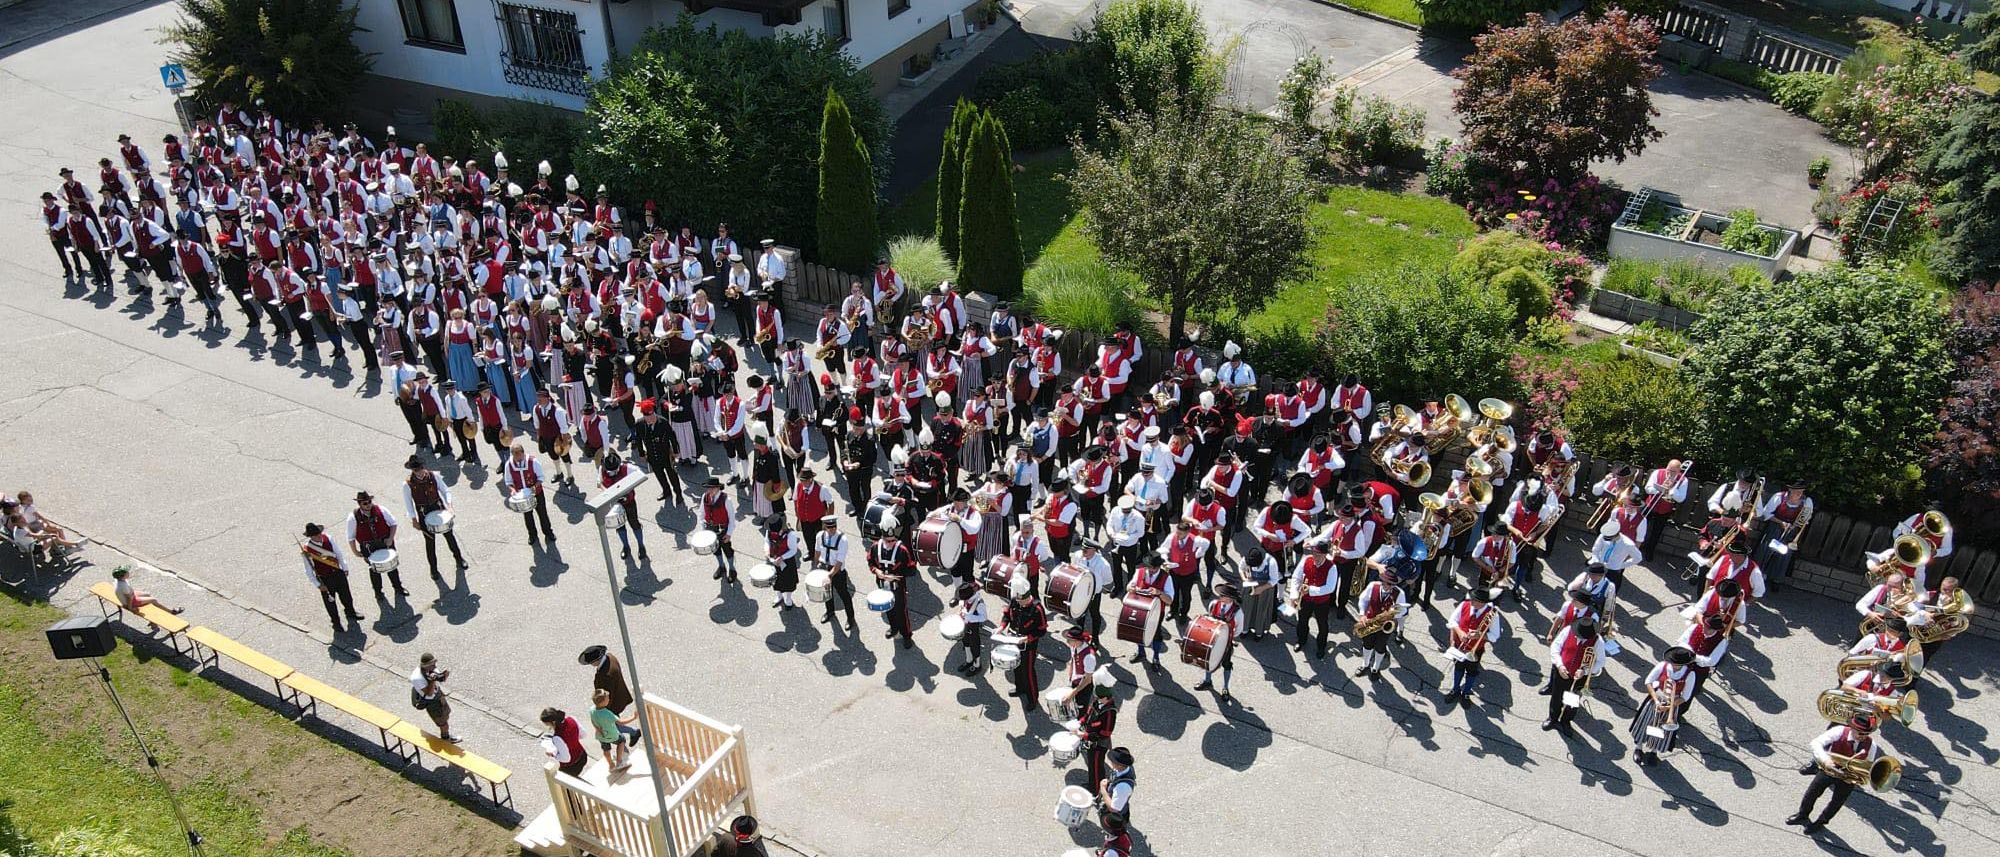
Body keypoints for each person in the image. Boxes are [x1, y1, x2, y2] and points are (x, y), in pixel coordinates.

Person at [1788, 714, 1886, 833]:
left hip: (1848, 777)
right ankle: (1803, 814)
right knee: (1811, 794)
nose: (1863, 737)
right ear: (1852, 728)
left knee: (1836, 803)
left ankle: (1821, 822)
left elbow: (1867, 765)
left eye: (1866, 734)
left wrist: (1857, 778)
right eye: (1860, 733)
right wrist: (1826, 760)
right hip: (1828, 769)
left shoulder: (1871, 745)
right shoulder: (1839, 731)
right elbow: (1815, 743)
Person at [403, 456, 469, 580]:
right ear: (412, 470)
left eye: (421, 468)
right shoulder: (407, 484)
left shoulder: (433, 476)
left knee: (450, 537)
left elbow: (445, 490)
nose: (420, 472)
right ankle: (433, 569)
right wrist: (413, 519)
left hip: (438, 509)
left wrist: (449, 506)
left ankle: (459, 559)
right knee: (430, 543)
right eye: (416, 470)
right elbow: (408, 503)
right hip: (423, 514)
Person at [1630, 647, 1697, 766]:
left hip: (1673, 702)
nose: (1675, 666)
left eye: (1678, 664)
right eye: (1674, 663)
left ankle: (1653, 751)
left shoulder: (1690, 674)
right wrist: (1656, 700)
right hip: (1657, 697)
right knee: (1647, 723)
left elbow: (1685, 697)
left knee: (1661, 728)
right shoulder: (1663, 666)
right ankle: (1638, 747)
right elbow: (1648, 681)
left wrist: (1668, 707)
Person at [1543, 616, 1605, 733]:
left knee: (1572, 701)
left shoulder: (1598, 641)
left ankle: (1566, 721)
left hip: (1580, 678)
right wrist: (1560, 665)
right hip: (1562, 672)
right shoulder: (1568, 630)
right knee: (1556, 696)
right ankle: (1553, 718)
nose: (1578, 637)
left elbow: (1601, 662)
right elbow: (1555, 647)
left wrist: (1585, 671)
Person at [1442, 587, 1504, 701]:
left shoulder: (1492, 614)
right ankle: (1455, 689)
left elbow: (1495, 636)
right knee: (1458, 668)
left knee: (1472, 671)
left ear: (1482, 602)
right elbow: (1452, 620)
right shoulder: (1465, 605)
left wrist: (1479, 635)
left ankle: (1466, 693)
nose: (1471, 602)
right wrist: (1460, 633)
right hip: (1460, 646)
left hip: (1476, 649)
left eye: (1474, 600)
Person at [300, 522, 363, 630]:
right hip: (325, 578)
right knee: (330, 602)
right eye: (315, 535)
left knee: (346, 595)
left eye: (319, 533)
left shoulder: (328, 538)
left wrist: (344, 567)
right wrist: (318, 584)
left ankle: (350, 612)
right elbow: (309, 570)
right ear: (310, 536)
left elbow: (338, 553)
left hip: (338, 572)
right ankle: (336, 622)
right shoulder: (307, 550)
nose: (319, 536)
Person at [345, 491, 407, 599]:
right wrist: (355, 552)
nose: (368, 504)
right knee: (374, 570)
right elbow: (351, 537)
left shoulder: (381, 509)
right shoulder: (353, 517)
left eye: (369, 502)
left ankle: (398, 587)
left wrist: (390, 538)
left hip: (384, 542)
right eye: (365, 503)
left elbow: (393, 523)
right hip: (369, 546)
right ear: (359, 504)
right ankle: (378, 592)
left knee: (392, 567)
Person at [1351, 569, 1407, 679]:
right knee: (1367, 644)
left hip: (1385, 626)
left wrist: (1393, 612)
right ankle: (1365, 664)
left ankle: (1375, 668)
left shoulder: (1399, 593)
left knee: (1380, 647)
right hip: (1370, 621)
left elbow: (1403, 611)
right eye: (1387, 583)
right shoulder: (1373, 586)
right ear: (1382, 581)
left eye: (1392, 584)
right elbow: (1363, 600)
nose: (1389, 586)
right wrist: (1362, 615)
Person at [1000, 578, 1048, 708]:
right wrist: (1001, 627)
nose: (1020, 603)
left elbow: (1042, 630)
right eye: (1019, 601)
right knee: (1015, 667)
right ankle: (1020, 688)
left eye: (1023, 601)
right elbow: (1007, 616)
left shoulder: (1037, 609)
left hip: (1029, 645)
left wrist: (1028, 638)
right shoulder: (1015, 601)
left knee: (1028, 672)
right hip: (1014, 641)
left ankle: (1032, 698)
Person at [1193, 583, 1245, 697]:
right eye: (1220, 594)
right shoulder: (1213, 604)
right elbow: (1209, 619)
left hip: (1226, 643)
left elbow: (1238, 630)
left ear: (1230, 598)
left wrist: (1228, 637)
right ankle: (1207, 681)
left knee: (1226, 664)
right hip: (1211, 640)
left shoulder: (1238, 613)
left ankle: (1225, 687)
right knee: (1207, 659)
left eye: (1223, 595)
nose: (1220, 597)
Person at [504, 443, 560, 545]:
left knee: (542, 514)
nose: (518, 459)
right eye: (516, 457)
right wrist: (512, 490)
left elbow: (541, 477)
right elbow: (508, 481)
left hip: (536, 493)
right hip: (523, 497)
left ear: (523, 453)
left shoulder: (533, 461)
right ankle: (532, 534)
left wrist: (535, 487)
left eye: (519, 456)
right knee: (528, 516)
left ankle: (548, 532)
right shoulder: (509, 465)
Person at [599, 451, 650, 561]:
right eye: (610, 471)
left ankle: (641, 546)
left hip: (629, 501)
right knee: (619, 526)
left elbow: (641, 475)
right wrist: (609, 493)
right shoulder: (601, 470)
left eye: (615, 469)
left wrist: (628, 487)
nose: (613, 472)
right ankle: (626, 546)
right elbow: (600, 483)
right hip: (614, 504)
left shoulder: (627, 468)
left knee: (635, 524)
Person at [871, 529, 917, 648]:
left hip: (897, 586)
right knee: (888, 608)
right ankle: (893, 628)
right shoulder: (875, 547)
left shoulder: (902, 550)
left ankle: (906, 635)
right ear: (882, 538)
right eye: (888, 540)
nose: (891, 543)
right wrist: (877, 571)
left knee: (901, 611)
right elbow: (870, 562)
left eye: (893, 540)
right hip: (882, 584)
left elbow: (912, 569)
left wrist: (896, 575)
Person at [813, 518, 858, 632]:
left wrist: (830, 575)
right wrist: (815, 566)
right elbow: (817, 551)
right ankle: (830, 612)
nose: (832, 529)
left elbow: (839, 562)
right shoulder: (820, 536)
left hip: (837, 572)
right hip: (824, 567)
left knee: (844, 594)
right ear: (825, 527)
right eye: (829, 527)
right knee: (827, 593)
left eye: (834, 527)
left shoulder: (842, 539)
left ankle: (850, 618)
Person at [410, 653, 459, 742]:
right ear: (425, 665)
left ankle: (445, 733)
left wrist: (444, 676)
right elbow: (429, 693)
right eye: (432, 664)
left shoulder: (431, 669)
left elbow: (440, 680)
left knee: (445, 713)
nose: (435, 666)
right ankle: (446, 738)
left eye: (434, 663)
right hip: (432, 702)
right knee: (443, 724)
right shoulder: (417, 678)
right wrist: (432, 681)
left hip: (438, 696)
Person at [590, 688, 642, 772]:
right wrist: (633, 717)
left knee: (606, 749)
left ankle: (611, 765)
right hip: (612, 734)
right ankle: (619, 762)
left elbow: (592, 721)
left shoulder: (592, 710)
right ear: (602, 702)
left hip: (601, 735)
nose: (609, 699)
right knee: (621, 741)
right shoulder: (607, 713)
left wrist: (598, 729)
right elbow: (620, 722)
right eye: (607, 699)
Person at [110, 565, 183, 622]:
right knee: (153, 600)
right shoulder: (123, 586)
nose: (129, 573)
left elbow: (128, 593)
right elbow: (129, 598)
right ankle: (171, 612)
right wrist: (131, 608)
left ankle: (153, 621)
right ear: (123, 576)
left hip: (132, 595)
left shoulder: (119, 581)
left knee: (147, 594)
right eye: (127, 572)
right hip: (132, 601)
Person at [1237, 546, 1280, 640]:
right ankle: (1245, 629)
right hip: (1251, 583)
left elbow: (1274, 580)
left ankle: (1258, 633)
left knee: (1261, 609)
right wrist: (1245, 579)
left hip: (1266, 587)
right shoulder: (1247, 558)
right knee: (1246, 608)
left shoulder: (1271, 562)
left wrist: (1261, 589)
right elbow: (1241, 568)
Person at [700, 477, 738, 582]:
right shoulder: (704, 497)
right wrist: (704, 530)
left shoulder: (726, 499)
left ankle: (732, 569)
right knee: (715, 550)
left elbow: (732, 519)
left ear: (718, 488)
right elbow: (702, 514)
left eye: (712, 488)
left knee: (727, 550)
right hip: (710, 530)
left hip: (723, 530)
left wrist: (729, 534)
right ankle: (721, 566)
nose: (710, 490)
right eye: (708, 488)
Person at [579, 644, 635, 715]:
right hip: (621, 695)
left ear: (595, 661)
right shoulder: (610, 657)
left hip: (614, 706)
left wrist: (604, 712)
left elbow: (607, 698)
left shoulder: (605, 676)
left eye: (591, 663)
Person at [949, 581, 988, 675]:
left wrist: (971, 618)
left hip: (973, 627)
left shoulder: (979, 603)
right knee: (965, 642)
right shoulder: (967, 598)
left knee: (974, 645)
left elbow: (984, 617)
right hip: (965, 625)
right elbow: (963, 605)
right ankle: (969, 660)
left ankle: (977, 665)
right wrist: (961, 612)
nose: (963, 600)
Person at [764, 517, 803, 610]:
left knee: (788, 581)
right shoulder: (769, 531)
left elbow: (793, 550)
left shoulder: (791, 534)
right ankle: (779, 596)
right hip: (774, 559)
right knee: (775, 580)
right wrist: (767, 552)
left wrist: (782, 558)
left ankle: (788, 599)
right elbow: (767, 541)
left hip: (787, 561)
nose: (775, 533)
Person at [539, 707, 589, 778]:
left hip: (571, 766)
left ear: (552, 722)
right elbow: (583, 734)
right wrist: (571, 739)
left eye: (547, 724)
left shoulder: (557, 737)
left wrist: (553, 754)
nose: (548, 726)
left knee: (563, 786)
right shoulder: (571, 719)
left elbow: (566, 759)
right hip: (582, 755)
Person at [1095, 746, 1137, 833]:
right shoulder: (1126, 768)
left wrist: (1103, 789)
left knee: (1113, 832)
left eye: (1112, 761)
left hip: (1116, 817)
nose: (1110, 762)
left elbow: (1114, 809)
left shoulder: (1122, 787)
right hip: (1120, 802)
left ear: (1120, 765)